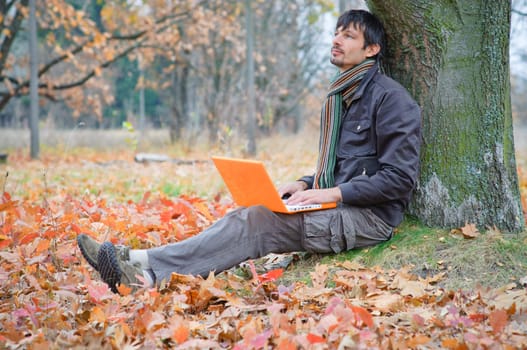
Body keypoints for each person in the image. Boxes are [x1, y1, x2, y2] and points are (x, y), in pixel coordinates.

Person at [77, 9, 422, 294]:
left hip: (369, 218)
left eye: (349, 36)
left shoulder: (391, 100)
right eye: (336, 33)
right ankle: (137, 259)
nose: (336, 40)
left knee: (258, 222)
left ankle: (145, 276)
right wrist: (304, 185)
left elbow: (399, 179)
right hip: (337, 204)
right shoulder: (339, 98)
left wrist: (330, 192)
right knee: (249, 210)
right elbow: (344, 166)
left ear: (371, 50)